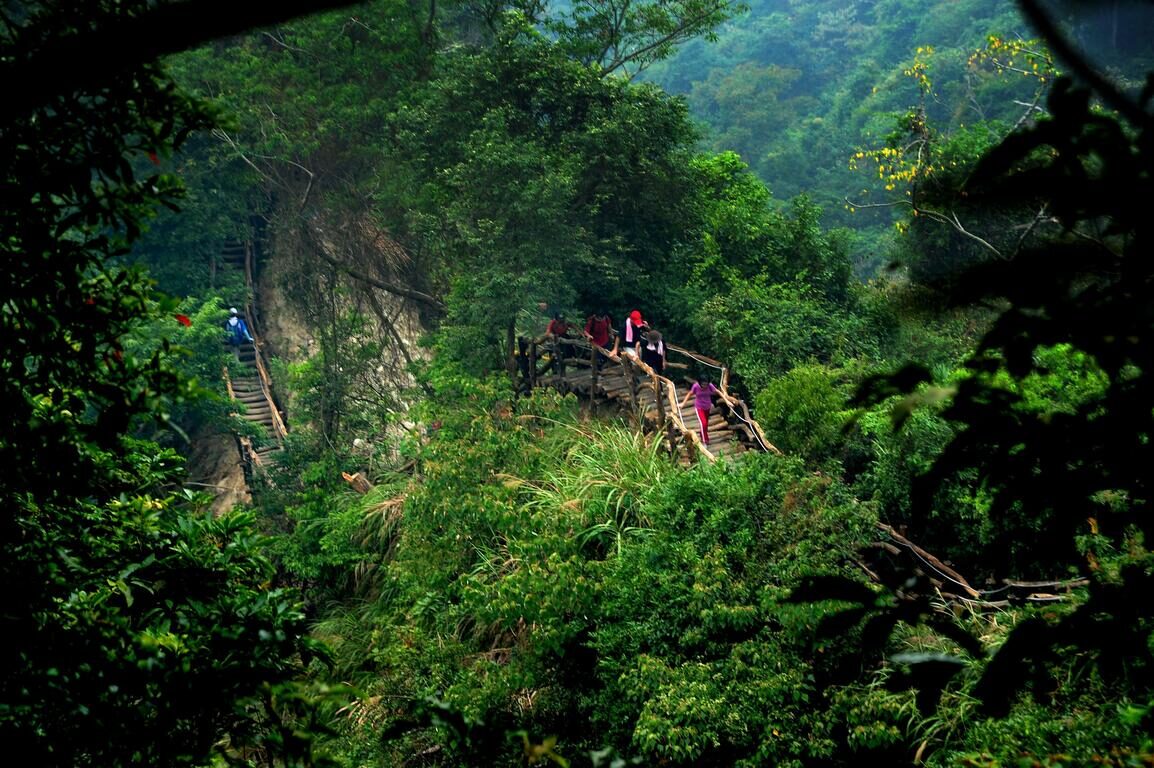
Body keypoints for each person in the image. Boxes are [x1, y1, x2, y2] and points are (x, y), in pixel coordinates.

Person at [679, 374, 720, 446]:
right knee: (703, 423)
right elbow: (690, 393)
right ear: (700, 383)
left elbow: (718, 392)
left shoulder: (710, 386)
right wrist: (683, 403)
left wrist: (727, 401)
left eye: (706, 384)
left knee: (705, 424)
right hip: (699, 407)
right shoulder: (696, 386)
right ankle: (705, 441)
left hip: (707, 407)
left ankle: (702, 434)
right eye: (703, 384)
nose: (705, 386)